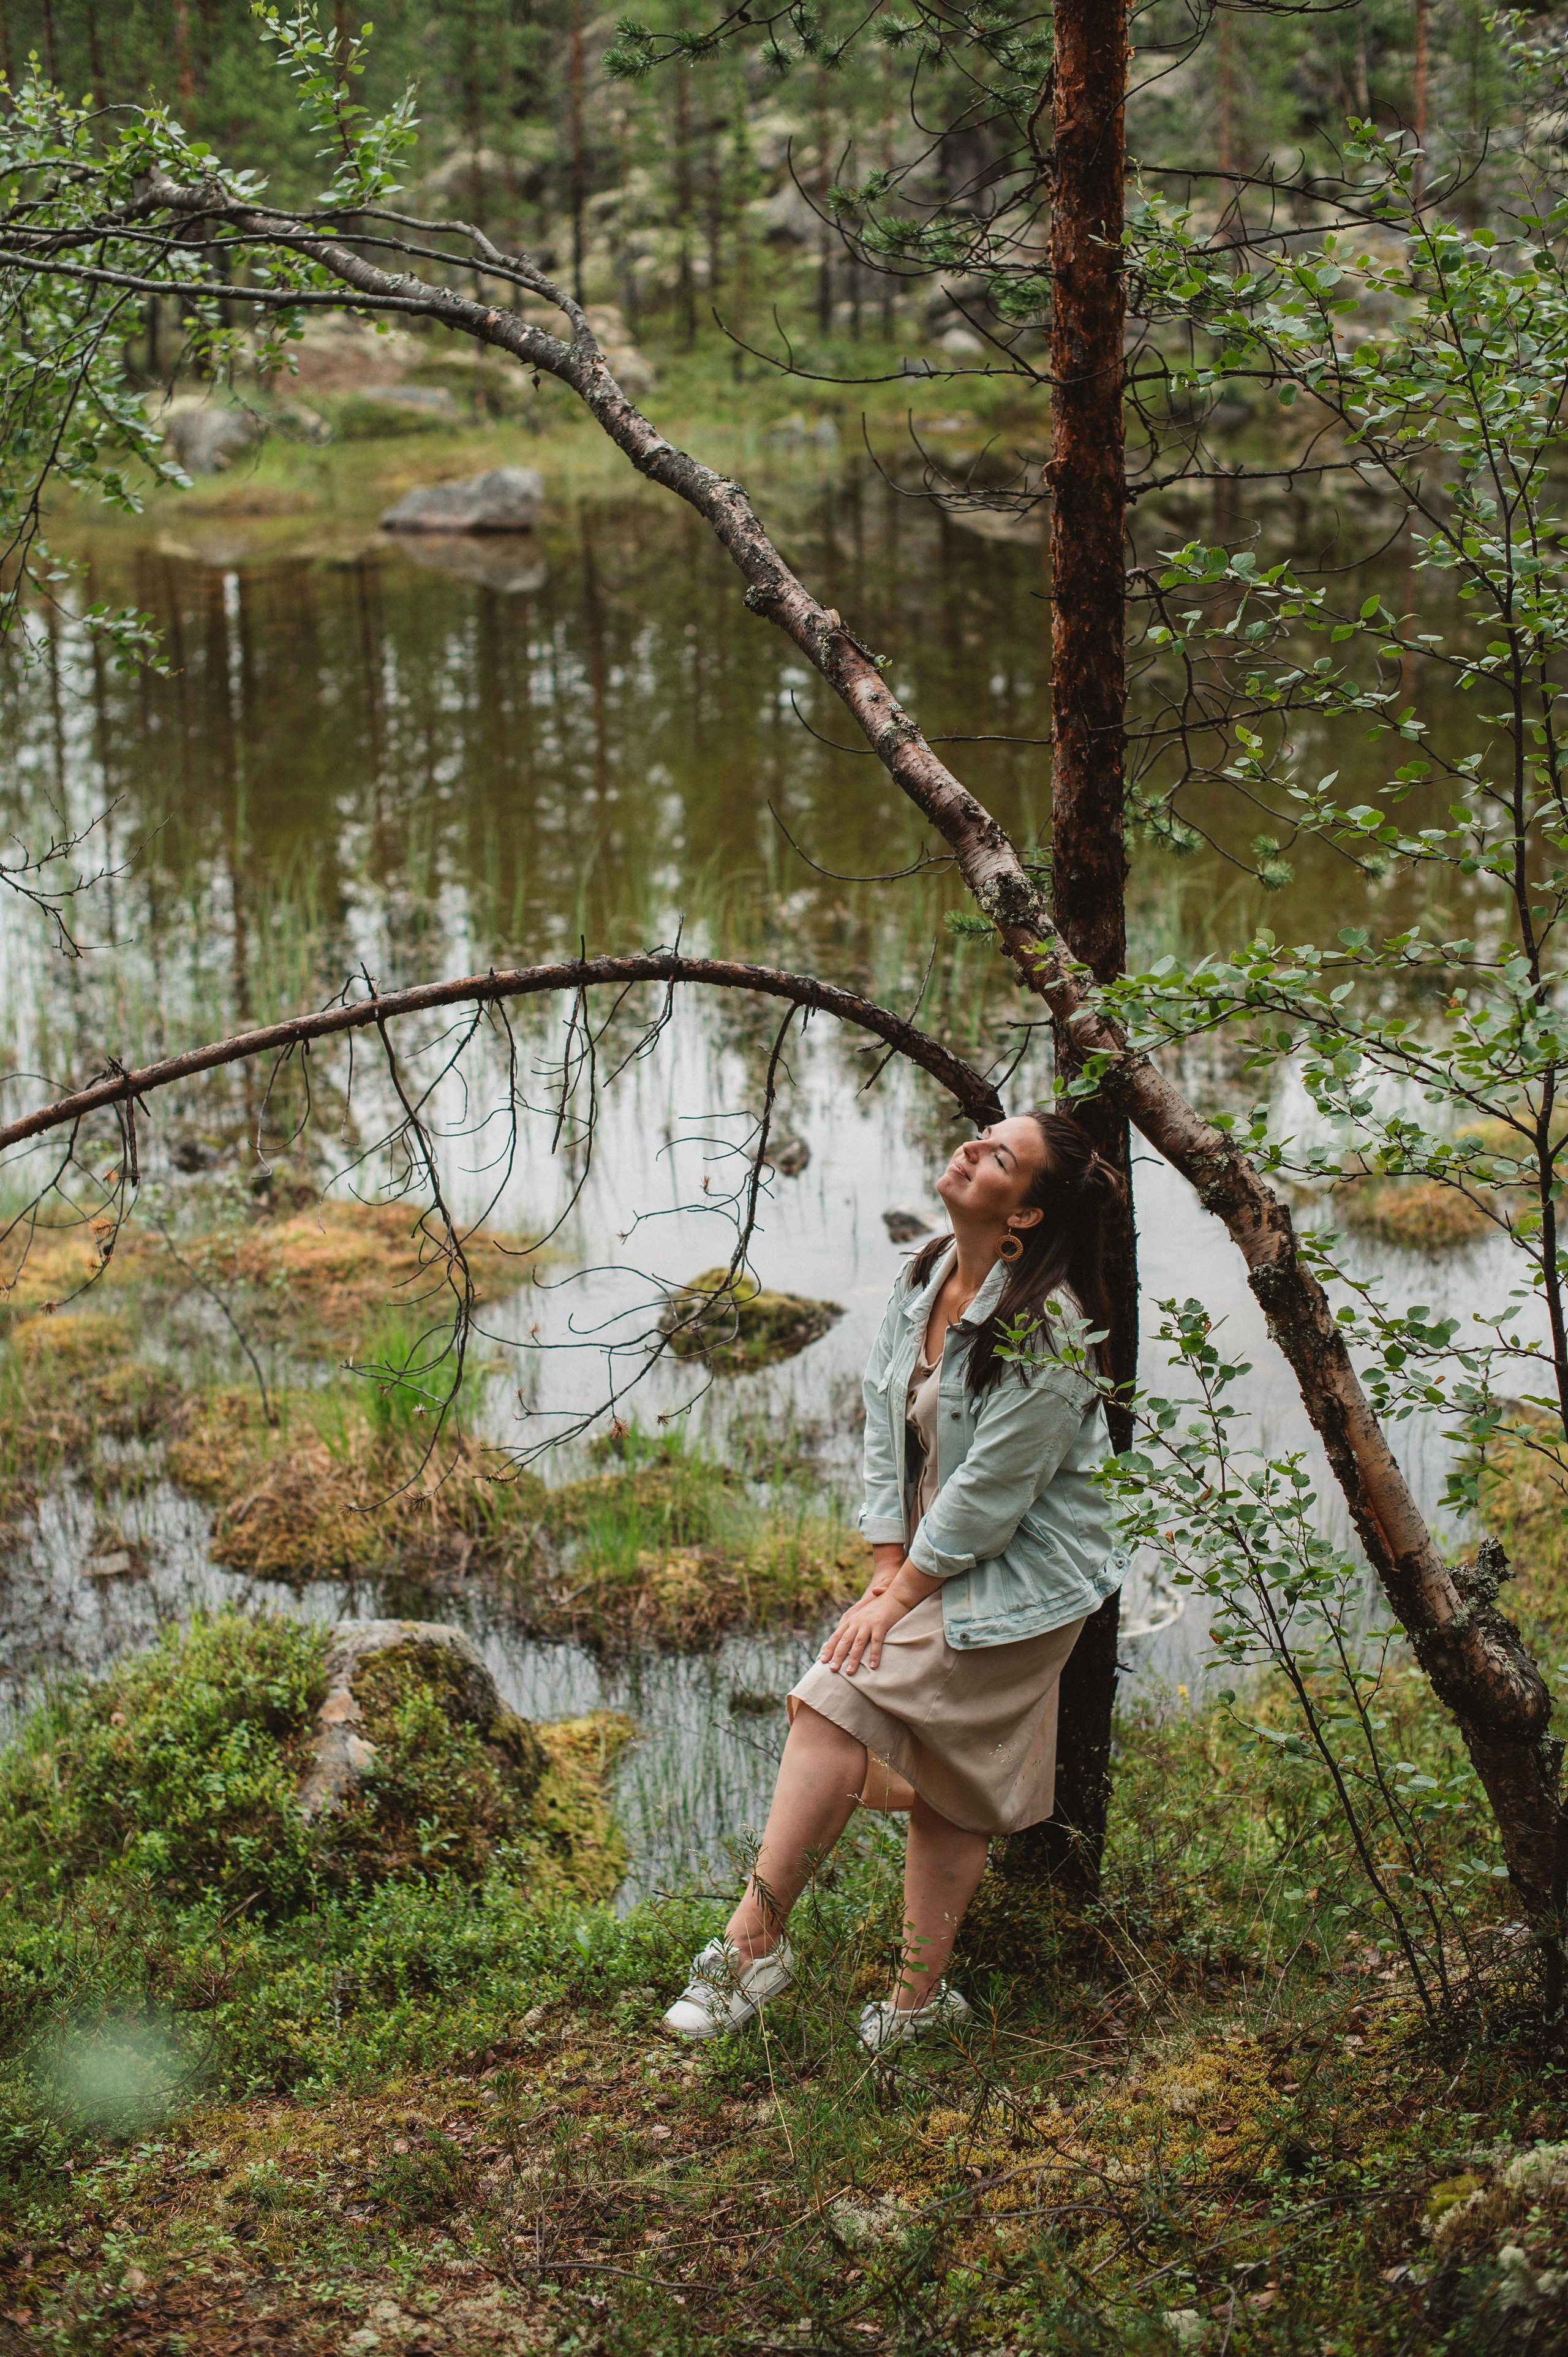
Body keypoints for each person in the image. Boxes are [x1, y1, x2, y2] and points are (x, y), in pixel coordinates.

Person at [660, 1107, 1126, 2053]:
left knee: (835, 1697)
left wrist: (897, 1596)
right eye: (981, 1136)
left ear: (1026, 1215)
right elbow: (881, 1422)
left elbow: (993, 1497)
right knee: (953, 1783)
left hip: (1021, 1583)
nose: (969, 1149)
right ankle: (915, 2013)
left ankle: (752, 1950)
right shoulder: (925, 1275)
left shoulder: (1053, 1326)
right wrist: (884, 1568)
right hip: (931, 1562)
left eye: (999, 1156)